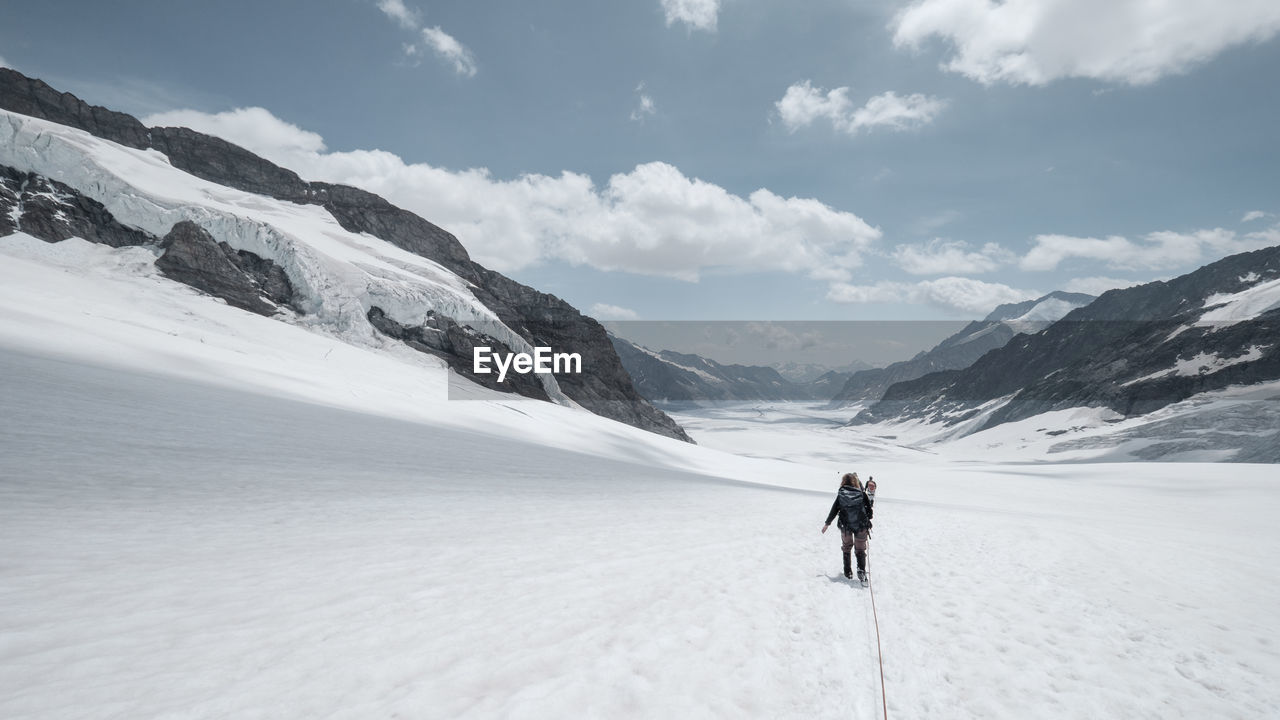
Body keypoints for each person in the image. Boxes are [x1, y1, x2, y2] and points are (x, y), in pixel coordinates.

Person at [821, 472, 876, 581]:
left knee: (846, 547)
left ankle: (847, 571)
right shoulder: (862, 494)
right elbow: (870, 513)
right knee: (860, 549)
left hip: (845, 526)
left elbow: (834, 510)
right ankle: (861, 570)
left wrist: (827, 524)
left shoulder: (841, 494)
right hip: (861, 525)